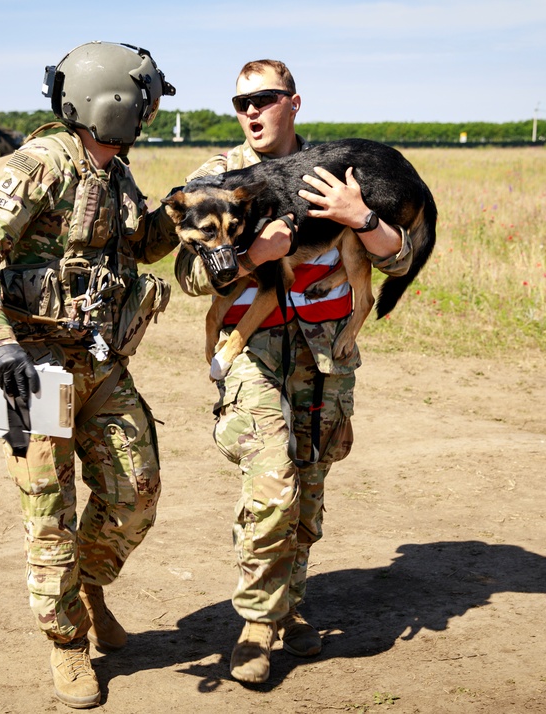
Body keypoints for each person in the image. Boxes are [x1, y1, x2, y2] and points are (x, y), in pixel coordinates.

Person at [0, 41, 178, 709]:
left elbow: (137, 247)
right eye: (146, 102)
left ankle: (88, 583)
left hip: (102, 361)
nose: (151, 113)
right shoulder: (35, 167)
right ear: (116, 105)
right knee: (49, 515)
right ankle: (67, 645)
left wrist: (186, 212)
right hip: (30, 369)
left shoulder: (113, 174)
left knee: (137, 493)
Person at [174, 59, 413, 684]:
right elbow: (190, 276)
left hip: (327, 355)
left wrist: (362, 217)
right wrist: (255, 253)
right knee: (273, 483)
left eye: (265, 99)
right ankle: (256, 623)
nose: (251, 111)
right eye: (240, 102)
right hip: (252, 354)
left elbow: (398, 258)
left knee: (308, 489)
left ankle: (290, 606)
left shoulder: (342, 171)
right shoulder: (216, 179)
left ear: (294, 102)